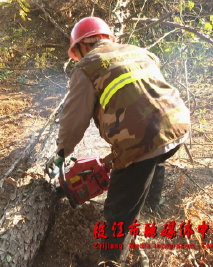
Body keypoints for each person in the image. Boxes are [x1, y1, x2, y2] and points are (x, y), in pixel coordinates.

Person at [50, 17, 190, 266]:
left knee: (118, 213)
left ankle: (111, 260)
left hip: (144, 138)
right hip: (177, 124)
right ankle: (149, 211)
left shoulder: (86, 66)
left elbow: (73, 120)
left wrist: (62, 152)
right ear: (105, 38)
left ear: (82, 46)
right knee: (154, 156)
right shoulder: (138, 51)